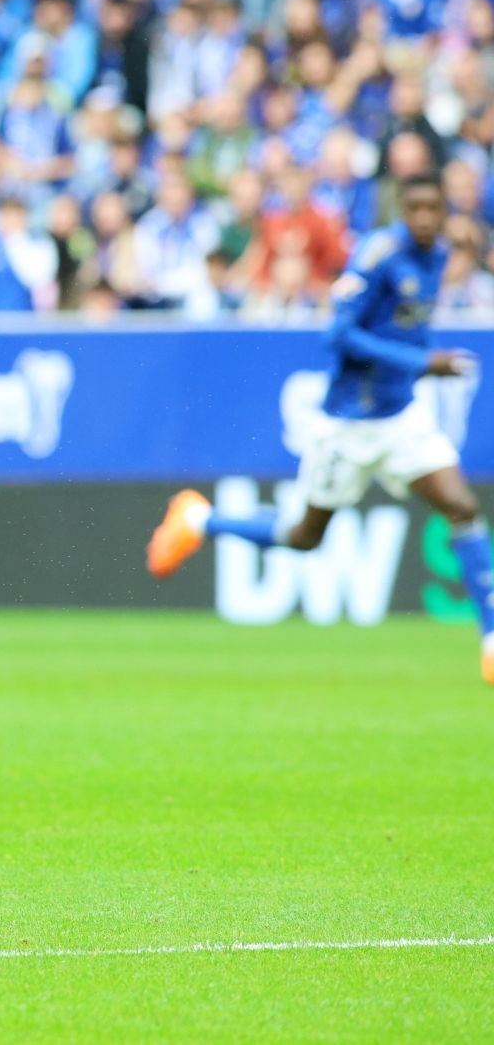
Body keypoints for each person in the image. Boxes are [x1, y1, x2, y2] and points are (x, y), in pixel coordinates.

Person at [147, 176, 494, 684]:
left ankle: (488, 640)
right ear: (400, 208)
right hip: (347, 425)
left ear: (443, 212)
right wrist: (421, 362)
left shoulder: (437, 255)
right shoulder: (378, 255)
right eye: (413, 207)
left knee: (462, 507)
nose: (423, 217)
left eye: (432, 208)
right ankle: (198, 519)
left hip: (401, 416)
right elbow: (338, 333)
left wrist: (415, 367)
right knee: (303, 535)